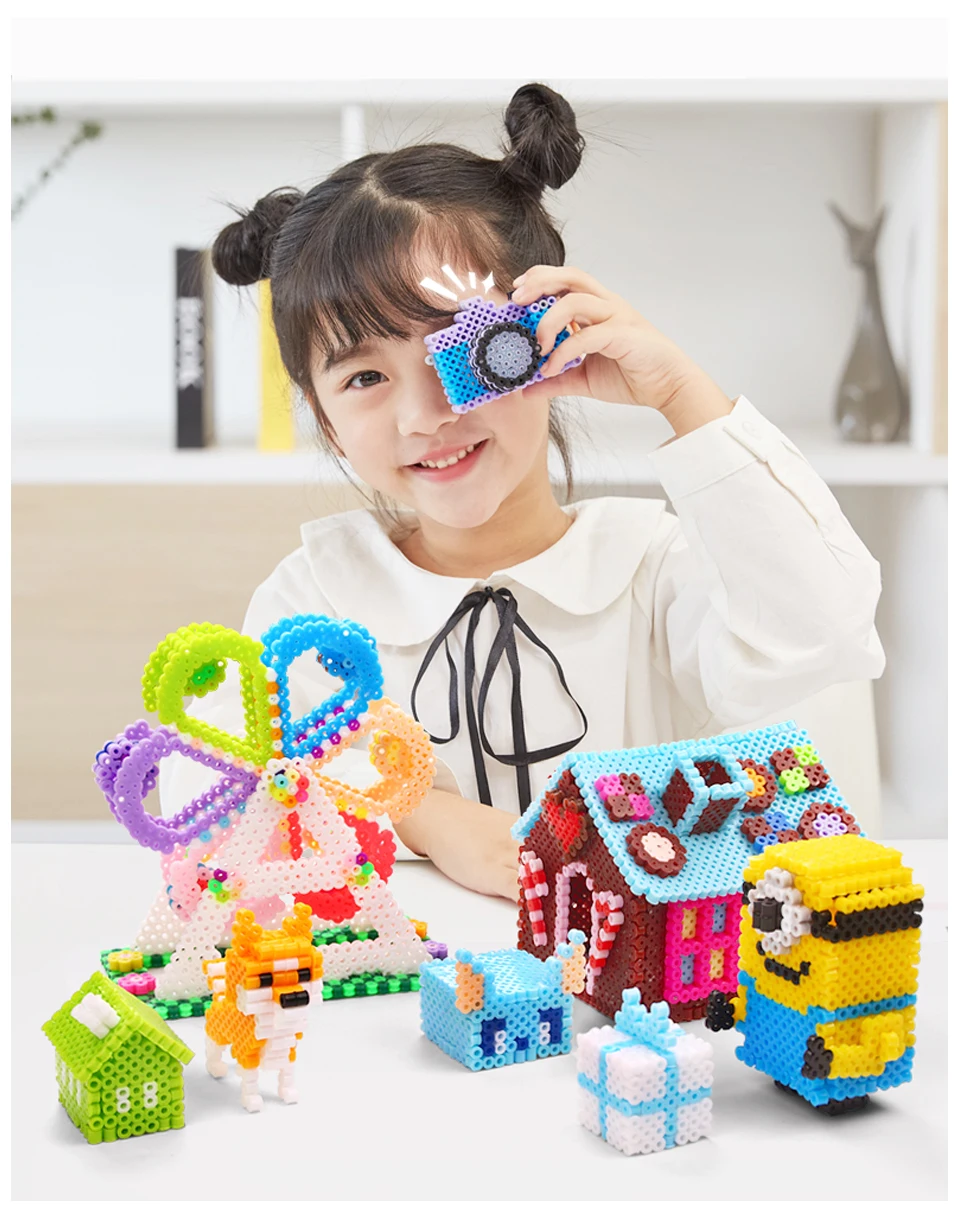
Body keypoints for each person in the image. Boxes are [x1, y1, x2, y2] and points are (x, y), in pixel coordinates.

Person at [161, 82, 884, 902]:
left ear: (540, 340)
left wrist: (683, 394)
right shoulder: (317, 600)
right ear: (325, 421)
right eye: (364, 377)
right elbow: (211, 803)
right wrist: (423, 814)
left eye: (457, 352)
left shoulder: (649, 570)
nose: (424, 416)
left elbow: (821, 633)